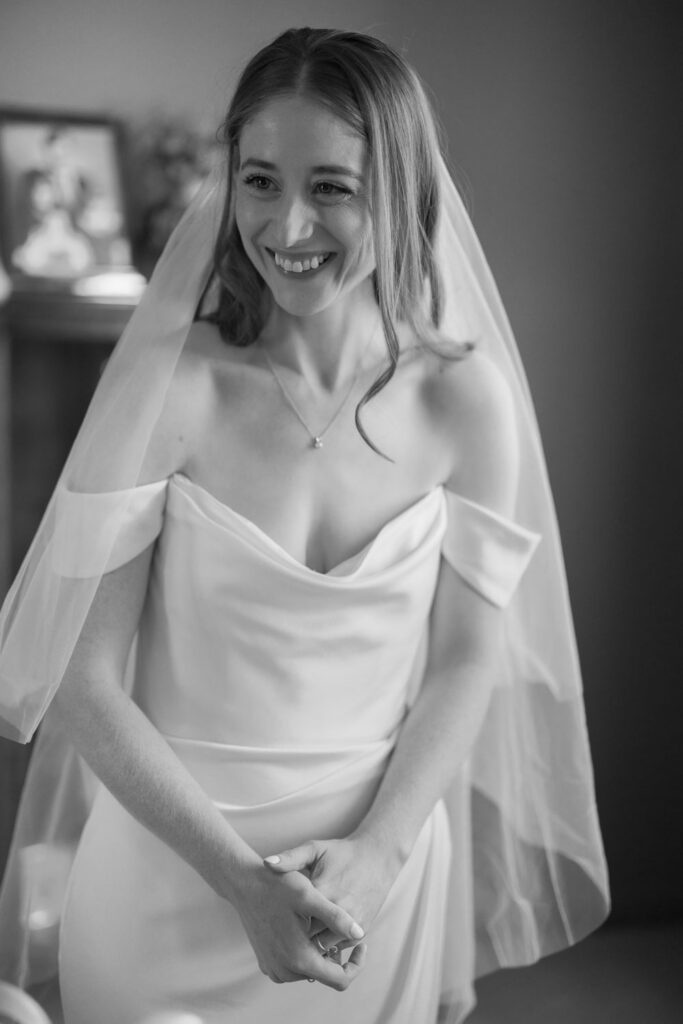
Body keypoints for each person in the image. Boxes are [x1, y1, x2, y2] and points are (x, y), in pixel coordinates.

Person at [0, 28, 609, 1024]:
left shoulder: (466, 404)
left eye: (332, 186)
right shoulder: (175, 389)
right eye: (258, 180)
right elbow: (78, 681)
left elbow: (462, 662)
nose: (286, 225)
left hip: (373, 888)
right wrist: (243, 881)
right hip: (172, 882)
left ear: (402, 189)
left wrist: (380, 851)